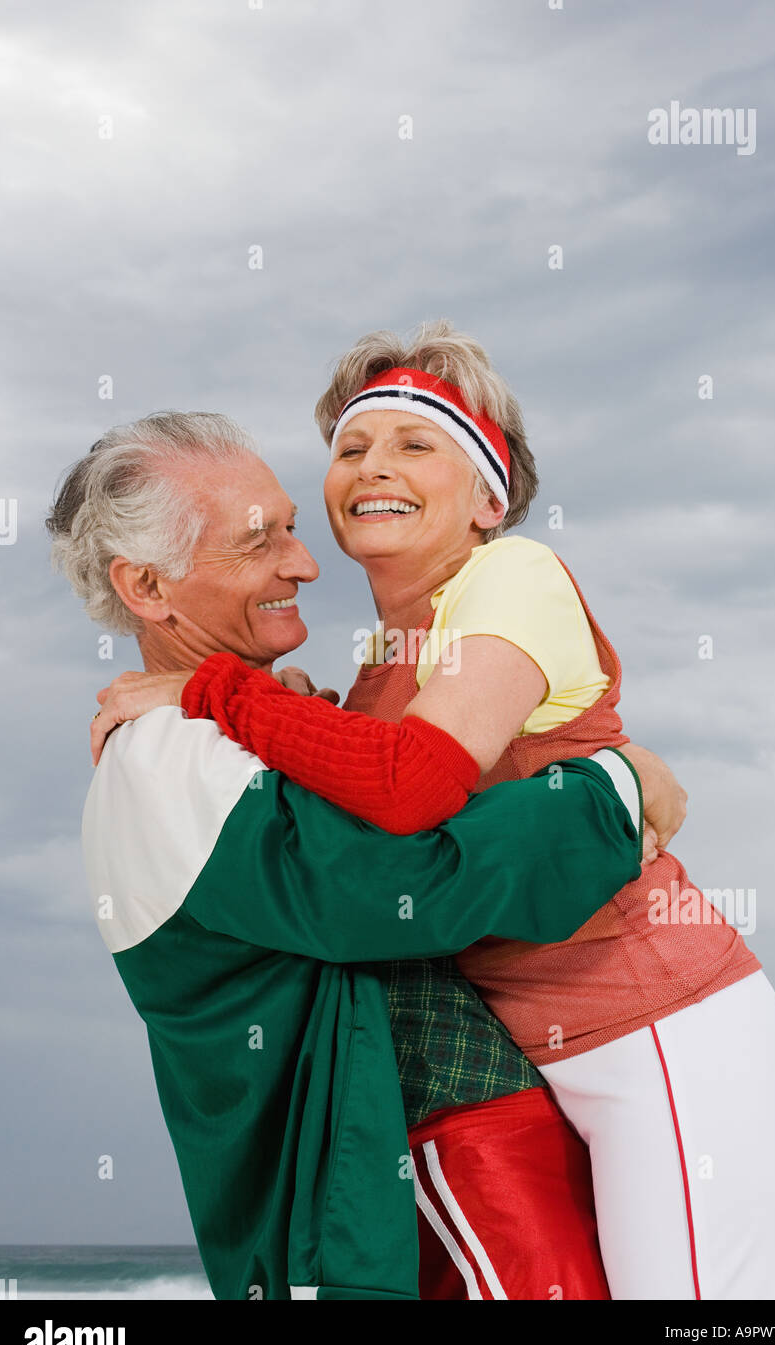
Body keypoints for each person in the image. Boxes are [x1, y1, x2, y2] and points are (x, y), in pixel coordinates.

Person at [100, 325, 775, 1300]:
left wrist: (212, 689)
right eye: (352, 448)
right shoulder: (380, 663)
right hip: (541, 1051)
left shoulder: (513, 576)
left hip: (656, 1022)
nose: (371, 467)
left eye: (414, 444)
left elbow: (410, 788)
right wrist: (285, 707)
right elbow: (357, 827)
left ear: (488, 498)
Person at [47, 410, 656, 1300]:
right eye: (260, 543)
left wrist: (277, 706)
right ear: (146, 587)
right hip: (420, 1201)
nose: (304, 564)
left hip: (447, 1182)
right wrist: (615, 791)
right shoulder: (166, 759)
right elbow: (407, 883)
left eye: (293, 528)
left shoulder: (227, 730)